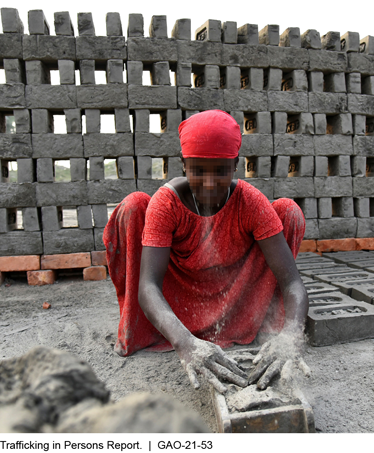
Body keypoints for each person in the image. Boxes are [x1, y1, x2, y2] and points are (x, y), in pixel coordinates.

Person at [103, 110, 310, 394]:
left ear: (236, 165)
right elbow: (148, 286)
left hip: (233, 299)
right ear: (183, 164)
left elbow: (292, 283)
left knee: (288, 211)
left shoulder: (250, 201)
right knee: (134, 203)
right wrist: (185, 344)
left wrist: (290, 338)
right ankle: (167, 334)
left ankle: (259, 329)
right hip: (178, 300)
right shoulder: (167, 203)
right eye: (198, 171)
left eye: (220, 171)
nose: (210, 183)